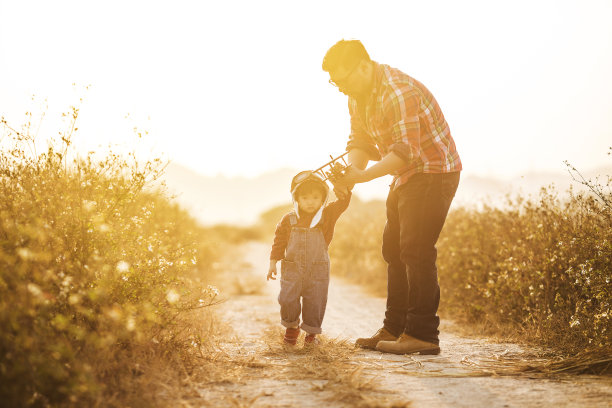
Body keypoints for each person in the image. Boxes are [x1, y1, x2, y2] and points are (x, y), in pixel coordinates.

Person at [322, 39, 462, 355]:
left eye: (345, 80)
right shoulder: (357, 96)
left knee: (415, 249)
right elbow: (360, 141)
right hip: (405, 176)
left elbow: (405, 153)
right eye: (336, 83)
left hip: (433, 172)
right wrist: (350, 175)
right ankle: (394, 329)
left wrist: (362, 176)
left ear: (363, 65)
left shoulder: (400, 92)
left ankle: (422, 335)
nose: (342, 89)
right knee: (393, 249)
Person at [267, 171, 351, 346]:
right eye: (305, 198)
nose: (310, 201)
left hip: (317, 268)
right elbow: (279, 242)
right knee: (287, 298)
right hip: (292, 268)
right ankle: (292, 327)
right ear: (296, 199)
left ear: (323, 198)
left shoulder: (327, 215)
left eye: (315, 197)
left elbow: (342, 203)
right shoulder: (288, 219)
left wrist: (342, 187)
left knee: (316, 300)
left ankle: (311, 335)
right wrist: (273, 263)